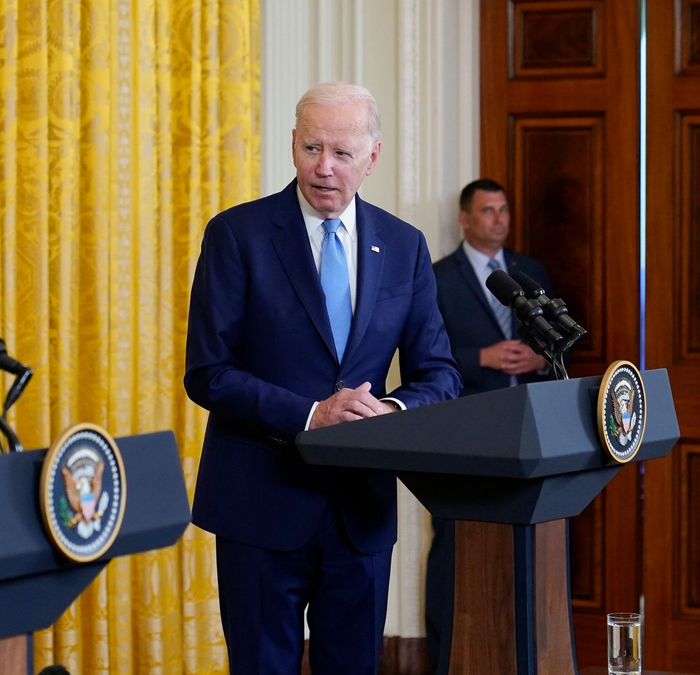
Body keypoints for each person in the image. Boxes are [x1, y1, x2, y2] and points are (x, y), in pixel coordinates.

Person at [184, 82, 461, 675]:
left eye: (341, 153)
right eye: (312, 148)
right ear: (292, 145)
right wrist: (311, 416)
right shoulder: (238, 235)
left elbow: (438, 373)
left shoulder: (405, 246)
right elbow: (208, 373)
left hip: (359, 513)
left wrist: (388, 413)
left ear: (373, 157)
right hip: (260, 505)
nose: (325, 168)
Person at [424, 178, 556, 672]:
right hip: (466, 429)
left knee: (526, 546)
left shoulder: (530, 271)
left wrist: (538, 361)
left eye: (503, 210)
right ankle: (446, 659)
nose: (498, 219)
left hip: (529, 426)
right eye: (487, 211)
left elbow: (555, 343)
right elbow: (421, 357)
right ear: (464, 219)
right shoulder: (438, 277)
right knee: (455, 547)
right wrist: (481, 357)